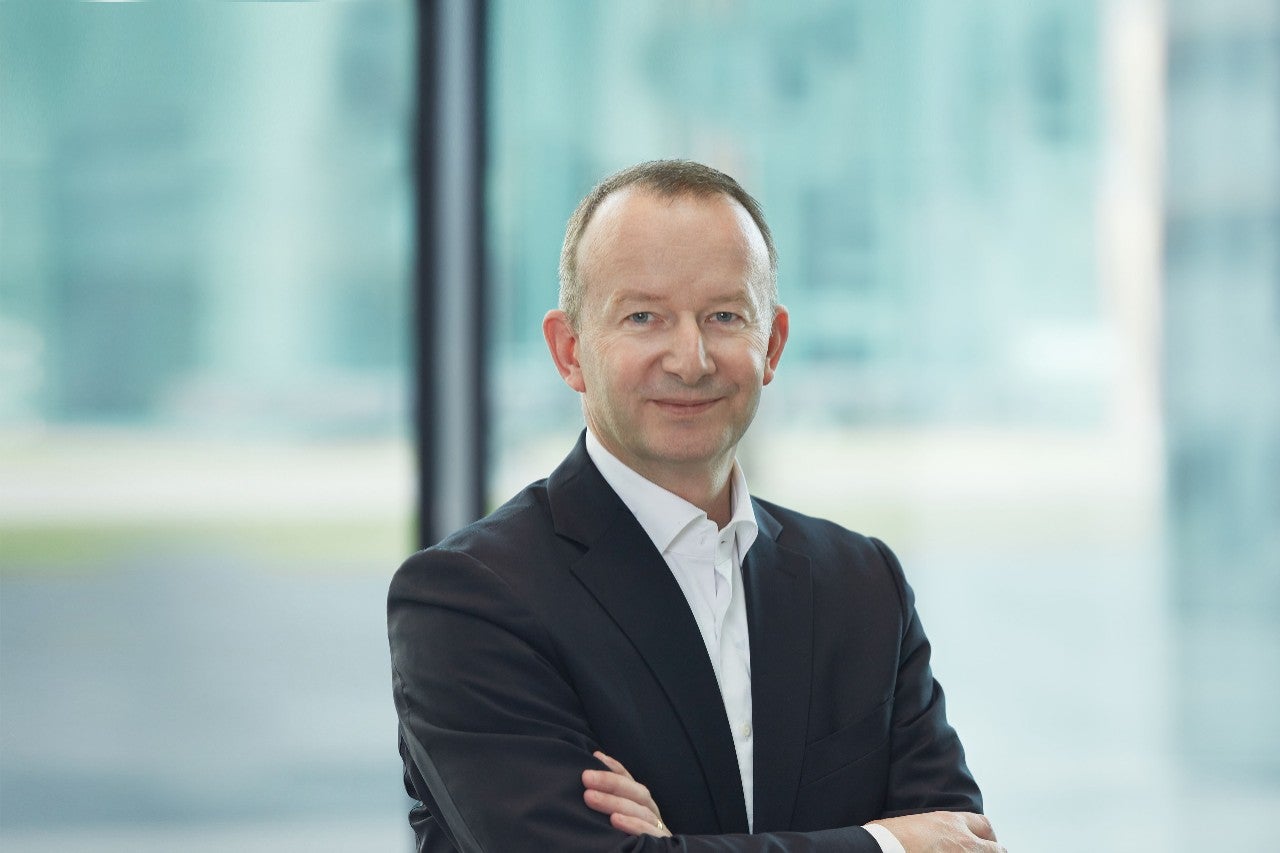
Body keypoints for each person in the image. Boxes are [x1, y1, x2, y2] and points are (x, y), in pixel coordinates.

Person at [388, 160, 1002, 852]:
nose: (691, 358)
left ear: (772, 345)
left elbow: (962, 843)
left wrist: (674, 845)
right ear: (569, 352)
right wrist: (885, 844)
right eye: (643, 317)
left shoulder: (863, 584)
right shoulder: (469, 597)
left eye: (724, 316)